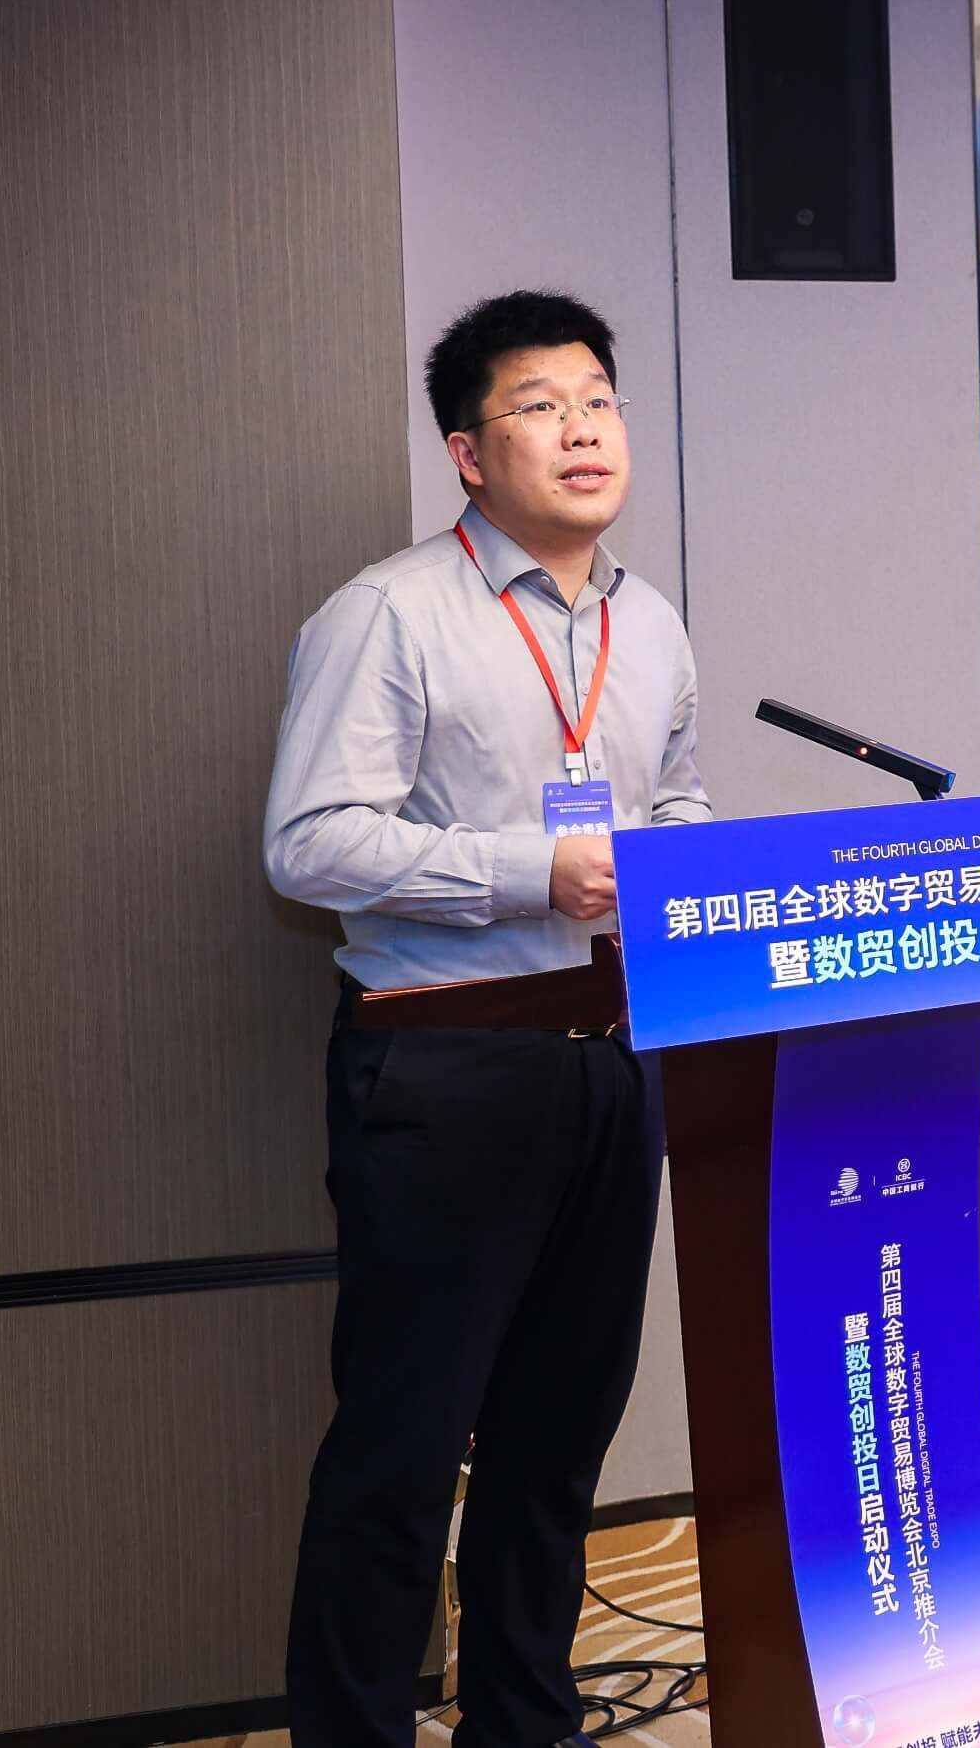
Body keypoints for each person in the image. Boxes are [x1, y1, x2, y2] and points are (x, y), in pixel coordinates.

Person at [264, 290, 709, 1748]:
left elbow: (676, 801)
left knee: (556, 1440)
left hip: (612, 1066)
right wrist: (534, 869)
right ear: (468, 451)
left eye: (599, 399)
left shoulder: (649, 623)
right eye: (539, 405)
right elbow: (309, 844)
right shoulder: (390, 612)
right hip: (445, 1064)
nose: (583, 429)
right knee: (401, 1455)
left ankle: (525, 1722)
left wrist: (688, 863)